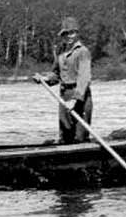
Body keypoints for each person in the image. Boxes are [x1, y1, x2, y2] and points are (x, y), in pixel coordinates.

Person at [33, 16, 92, 144]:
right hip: (64, 96)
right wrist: (44, 78)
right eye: (66, 34)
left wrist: (76, 99)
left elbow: (84, 78)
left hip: (79, 96)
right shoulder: (61, 52)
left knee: (79, 137)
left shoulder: (83, 52)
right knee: (65, 136)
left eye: (72, 33)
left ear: (77, 33)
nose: (69, 36)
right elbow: (55, 74)